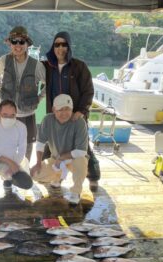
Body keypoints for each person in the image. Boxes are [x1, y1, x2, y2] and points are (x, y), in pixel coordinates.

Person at [42, 31, 100, 191]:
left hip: (75, 116)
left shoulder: (79, 66)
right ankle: (55, 176)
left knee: (83, 147)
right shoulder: (46, 67)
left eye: (64, 44)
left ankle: (93, 177)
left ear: (69, 46)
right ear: (53, 47)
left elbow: (88, 90)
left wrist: (80, 111)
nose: (60, 48)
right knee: (52, 147)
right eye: (57, 44)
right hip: (55, 116)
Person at [0, 26, 46, 161]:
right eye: (14, 41)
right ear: (10, 44)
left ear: (27, 44)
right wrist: (1, 90)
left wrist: (39, 98)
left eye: (21, 42)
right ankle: (8, 173)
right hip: (8, 114)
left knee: (27, 146)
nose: (18, 45)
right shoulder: (3, 61)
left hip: (28, 113)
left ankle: (24, 172)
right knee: (6, 145)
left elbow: (48, 84)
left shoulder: (36, 65)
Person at [31, 94, 88, 205]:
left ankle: (76, 191)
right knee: (35, 175)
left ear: (72, 109)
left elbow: (81, 151)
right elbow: (40, 143)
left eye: (67, 109)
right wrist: (38, 163)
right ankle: (57, 178)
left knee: (81, 161)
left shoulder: (80, 122)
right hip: (55, 159)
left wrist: (62, 158)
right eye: (60, 109)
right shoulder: (48, 119)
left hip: (74, 159)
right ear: (53, 110)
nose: (64, 113)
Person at [0, 99, 33, 202]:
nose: (8, 118)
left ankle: (8, 181)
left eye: (12, 115)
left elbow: (22, 150)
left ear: (16, 114)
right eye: (5, 115)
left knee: (27, 183)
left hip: (12, 161)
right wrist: (10, 162)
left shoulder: (21, 127)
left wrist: (14, 165)